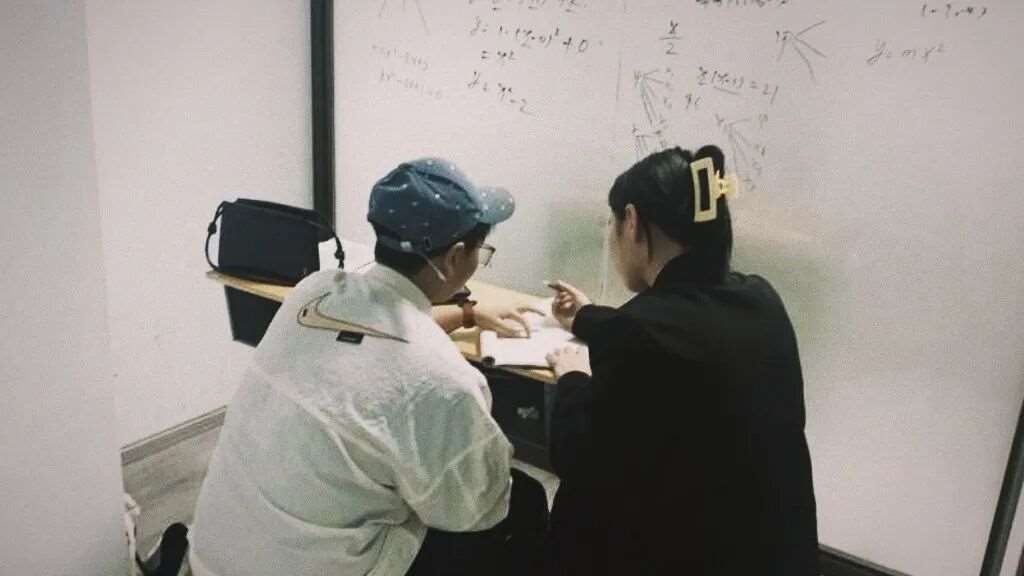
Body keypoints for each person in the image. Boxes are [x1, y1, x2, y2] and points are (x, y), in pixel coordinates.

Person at [189, 158, 547, 576]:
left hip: (215, 554)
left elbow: (379, 329)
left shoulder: (315, 293)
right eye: (480, 253)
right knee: (522, 500)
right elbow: (475, 511)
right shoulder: (447, 382)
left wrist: (469, 313)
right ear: (453, 258)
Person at [543, 146, 819, 575]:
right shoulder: (759, 298)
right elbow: (682, 333)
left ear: (631, 221)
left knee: (577, 506)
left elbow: (575, 456)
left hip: (687, 556)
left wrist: (573, 378)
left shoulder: (642, 331)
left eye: (612, 225)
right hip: (775, 553)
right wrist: (584, 315)